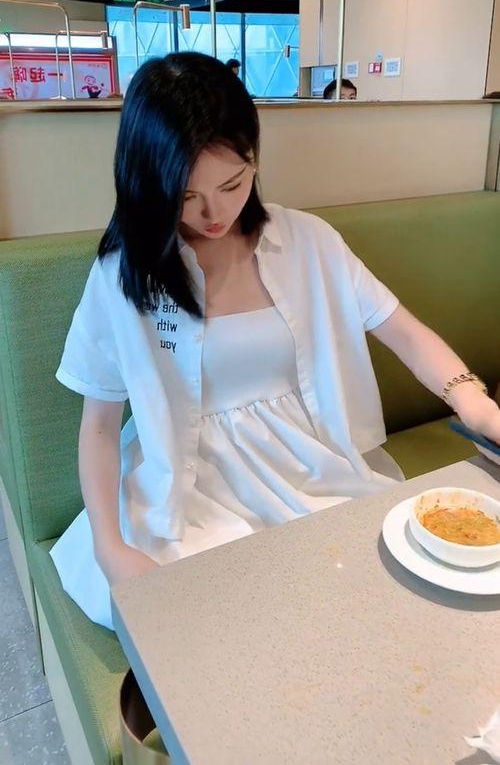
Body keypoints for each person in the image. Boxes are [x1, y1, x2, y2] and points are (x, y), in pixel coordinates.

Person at [51, 51, 500, 629]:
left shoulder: (308, 241)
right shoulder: (124, 273)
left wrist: (476, 404)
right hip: (188, 490)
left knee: (371, 600)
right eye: (185, 196)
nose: (213, 213)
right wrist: (109, 548)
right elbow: (98, 426)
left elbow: (406, 334)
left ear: (254, 158)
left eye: (232, 184)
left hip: (311, 467)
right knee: (221, 624)